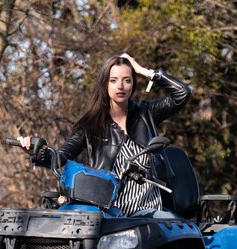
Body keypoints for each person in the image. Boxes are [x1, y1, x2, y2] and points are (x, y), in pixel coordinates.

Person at [17, 53, 191, 216]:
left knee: (164, 227)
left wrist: (142, 71)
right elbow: (61, 156)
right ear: (105, 84)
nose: (120, 86)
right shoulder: (91, 123)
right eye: (113, 80)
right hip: (109, 212)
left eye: (127, 80)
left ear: (133, 84)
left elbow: (182, 94)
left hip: (148, 213)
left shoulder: (145, 114)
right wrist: (36, 151)